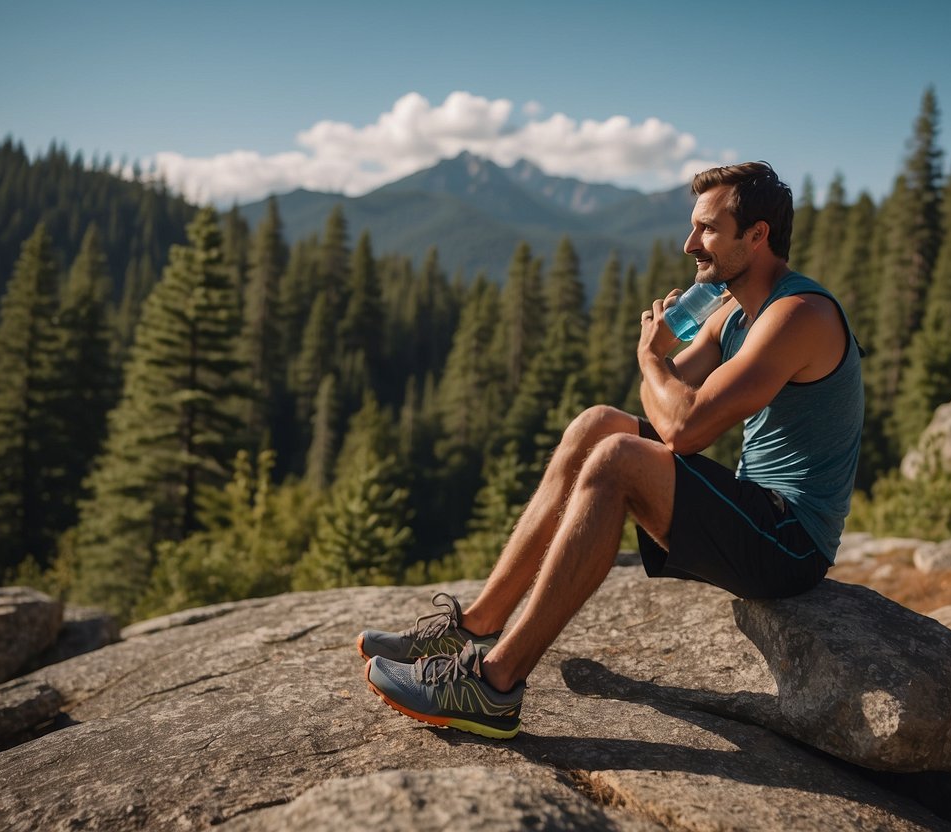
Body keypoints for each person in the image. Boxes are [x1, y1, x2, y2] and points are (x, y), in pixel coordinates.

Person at [359, 161, 864, 740]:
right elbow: (669, 397)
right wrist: (662, 362)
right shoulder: (733, 310)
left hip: (790, 543)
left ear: (757, 236)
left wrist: (651, 358)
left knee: (617, 460)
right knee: (596, 425)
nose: (688, 243)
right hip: (754, 510)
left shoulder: (799, 314)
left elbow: (683, 428)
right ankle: (475, 625)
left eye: (706, 230)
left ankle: (493, 687)